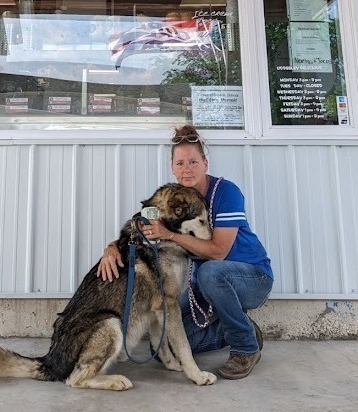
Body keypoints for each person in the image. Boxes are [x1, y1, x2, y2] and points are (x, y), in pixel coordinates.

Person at [97, 125, 274, 380]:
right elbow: (136, 227)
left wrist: (168, 234)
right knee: (161, 349)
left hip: (251, 278)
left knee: (212, 271)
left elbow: (218, 252)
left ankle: (245, 346)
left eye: (193, 161)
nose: (186, 169)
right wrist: (112, 248)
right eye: (180, 163)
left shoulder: (226, 192)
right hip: (205, 288)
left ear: (205, 163)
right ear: (172, 167)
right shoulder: (172, 200)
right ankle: (234, 327)